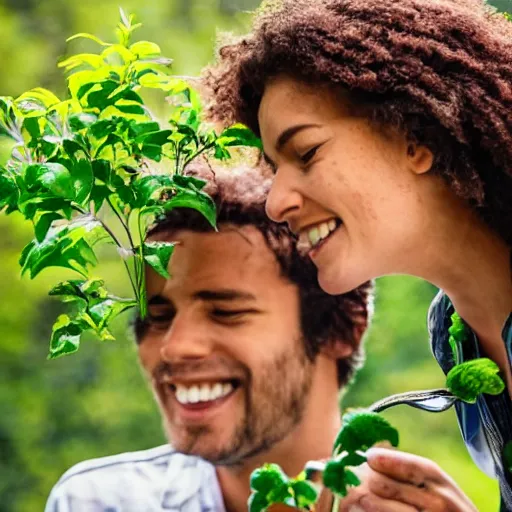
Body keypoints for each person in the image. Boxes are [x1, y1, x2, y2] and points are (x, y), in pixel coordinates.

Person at [204, 0, 512, 507]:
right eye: (273, 168)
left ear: (416, 136)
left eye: (305, 153)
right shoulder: (453, 332)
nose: (276, 202)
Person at [45, 163, 476, 511]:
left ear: (339, 328)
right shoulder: (100, 502)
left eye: (226, 311)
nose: (174, 347)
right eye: (157, 318)